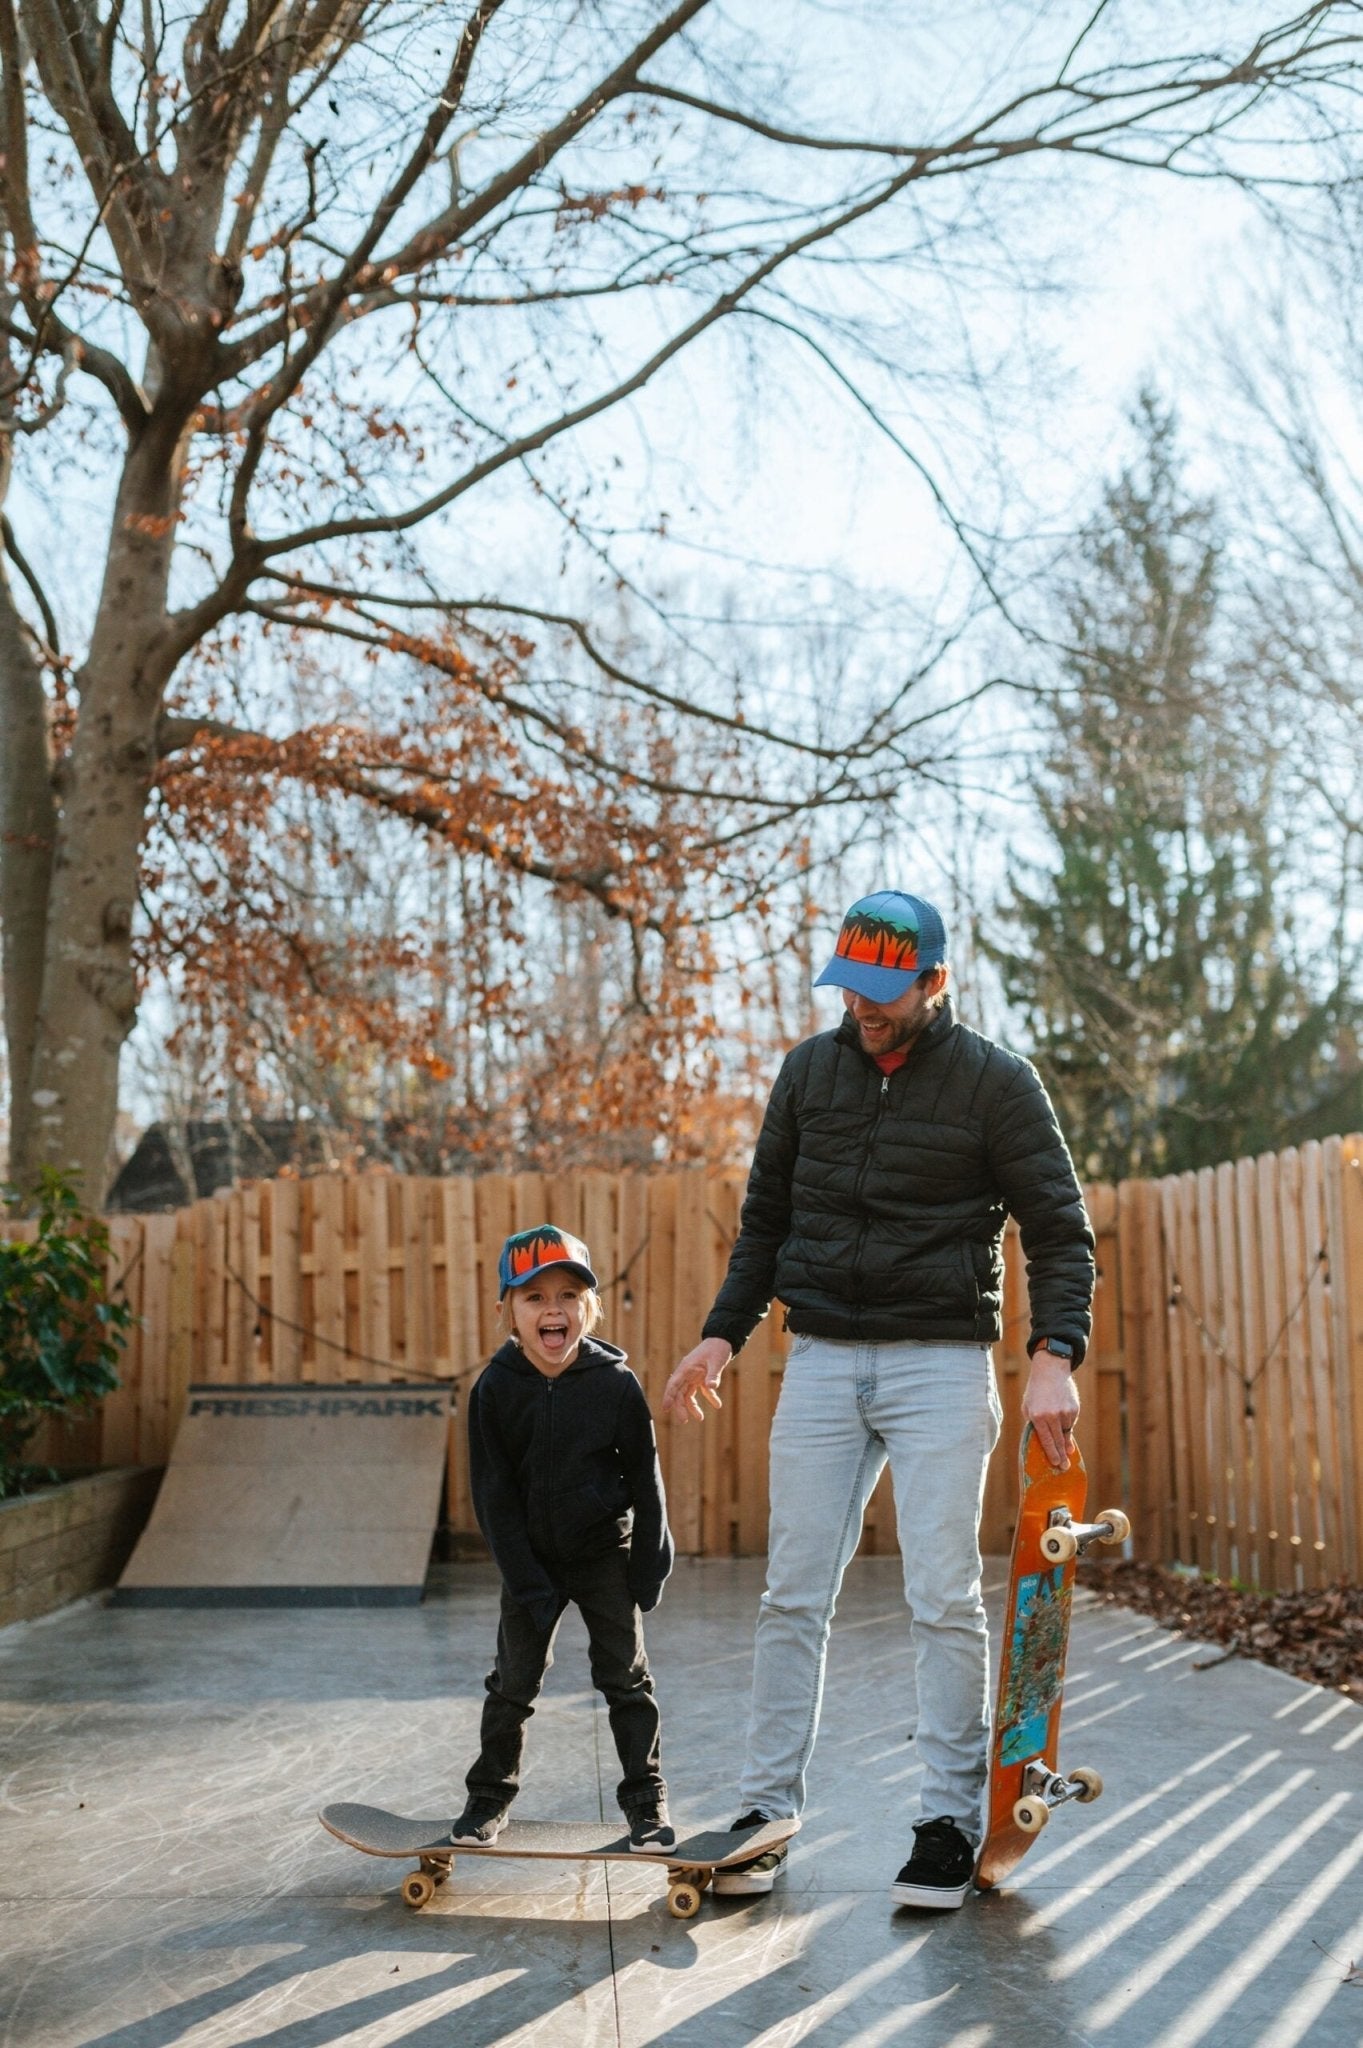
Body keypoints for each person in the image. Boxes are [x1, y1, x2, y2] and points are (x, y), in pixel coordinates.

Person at [663, 889, 1095, 1909]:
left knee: (940, 1593)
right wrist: (723, 1334)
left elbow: (1059, 1229)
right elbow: (764, 1220)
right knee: (790, 1591)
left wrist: (1052, 1353)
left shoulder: (996, 1083)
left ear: (933, 981)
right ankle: (763, 1815)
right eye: (848, 986)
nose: (861, 1006)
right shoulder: (810, 1072)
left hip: (939, 1363)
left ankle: (947, 1819)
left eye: (882, 990)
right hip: (819, 1358)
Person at [451, 1224, 675, 1852]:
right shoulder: (494, 1390)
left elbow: (647, 1478)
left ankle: (646, 1803)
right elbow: (492, 1493)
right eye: (534, 1297)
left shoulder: (615, 1384)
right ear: (507, 1312)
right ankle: (487, 1798)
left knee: (627, 1682)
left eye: (569, 1295)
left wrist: (651, 1562)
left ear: (589, 1309)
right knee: (513, 1684)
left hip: (606, 1553)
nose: (553, 1309)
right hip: (532, 1563)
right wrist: (526, 1579)